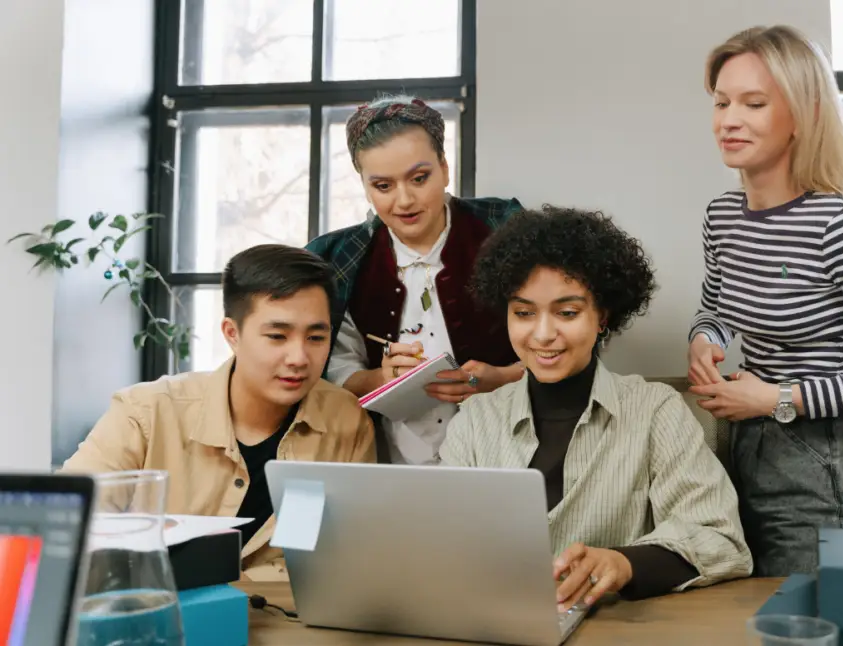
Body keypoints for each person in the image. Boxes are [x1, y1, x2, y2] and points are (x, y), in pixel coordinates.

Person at [687, 25, 843, 576]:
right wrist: (704, 339)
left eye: (753, 103)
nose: (729, 120)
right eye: (722, 102)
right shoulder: (722, 216)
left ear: (803, 114)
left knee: (810, 615)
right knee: (745, 612)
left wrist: (776, 398)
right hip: (742, 448)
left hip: (820, 459)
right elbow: (717, 310)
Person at [440, 206, 752, 611]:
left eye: (567, 313)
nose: (543, 334)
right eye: (524, 313)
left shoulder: (655, 411)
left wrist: (623, 563)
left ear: (602, 316)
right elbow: (442, 544)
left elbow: (721, 540)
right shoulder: (475, 421)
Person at [62, 244, 375, 581]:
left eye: (315, 337)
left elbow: (351, 555)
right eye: (277, 336)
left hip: (288, 611)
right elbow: (65, 523)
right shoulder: (146, 413)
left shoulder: (346, 421)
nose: (299, 358)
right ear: (232, 334)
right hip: (167, 606)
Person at [306, 94, 525, 466]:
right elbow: (333, 368)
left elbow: (565, 339)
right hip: (388, 464)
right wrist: (379, 378)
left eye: (419, 178)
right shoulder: (338, 258)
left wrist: (500, 379)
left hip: (507, 456)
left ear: (444, 168)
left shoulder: (504, 229)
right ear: (365, 186)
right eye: (383, 186)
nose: (404, 200)